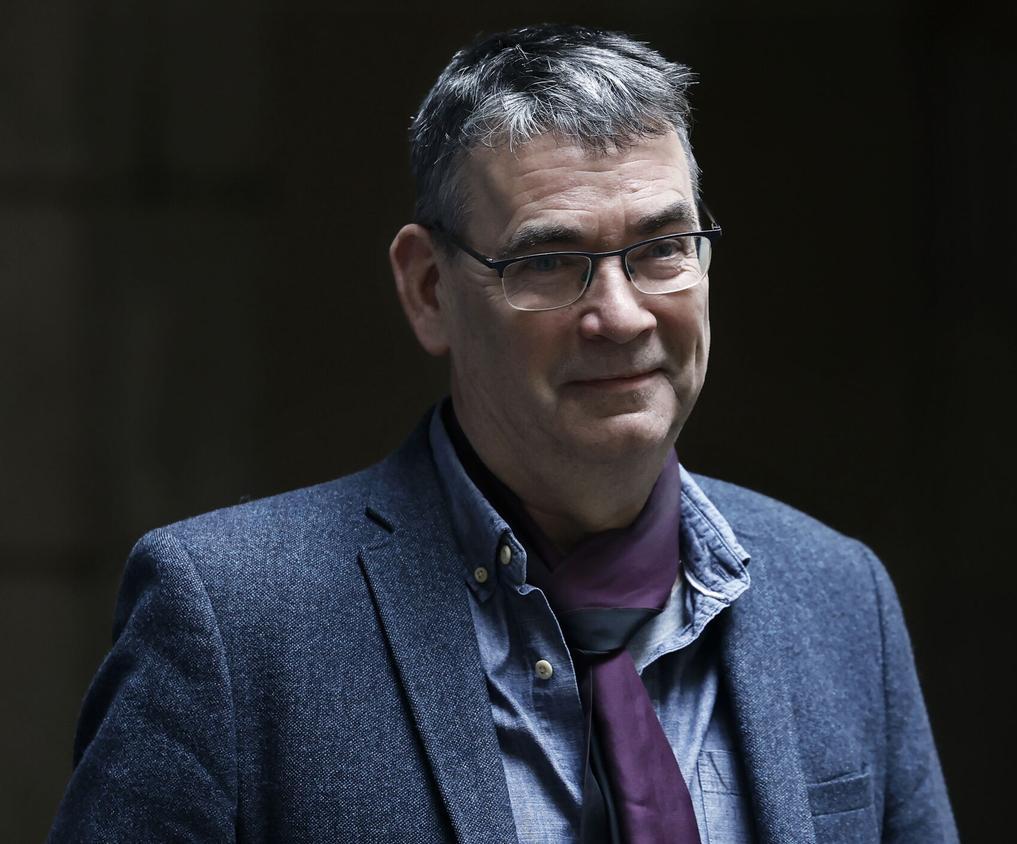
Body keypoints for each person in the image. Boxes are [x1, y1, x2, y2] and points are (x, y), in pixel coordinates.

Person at [50, 24, 956, 844]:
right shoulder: (231, 621)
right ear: (429, 290)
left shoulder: (839, 599)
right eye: (550, 261)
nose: (623, 314)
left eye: (662, 249)